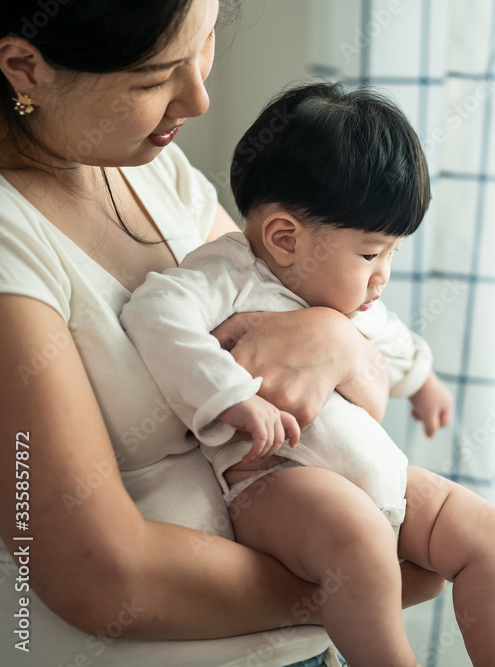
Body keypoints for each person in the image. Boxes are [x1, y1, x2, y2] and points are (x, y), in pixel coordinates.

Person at [0, 1, 441, 665]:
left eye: (205, 43)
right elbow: (97, 575)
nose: (200, 98)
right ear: (24, 67)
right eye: (153, 79)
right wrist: (362, 579)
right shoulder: (12, 240)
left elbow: (352, 378)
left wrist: (335, 337)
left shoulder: (152, 172)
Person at [120, 81, 495, 667]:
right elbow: (155, 313)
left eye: (393, 253)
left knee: (487, 531)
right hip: (276, 480)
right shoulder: (228, 273)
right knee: (362, 542)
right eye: (371, 254)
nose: (383, 276)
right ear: (285, 239)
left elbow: (394, 342)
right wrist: (232, 397)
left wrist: (424, 382)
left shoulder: (349, 302)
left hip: (380, 480)